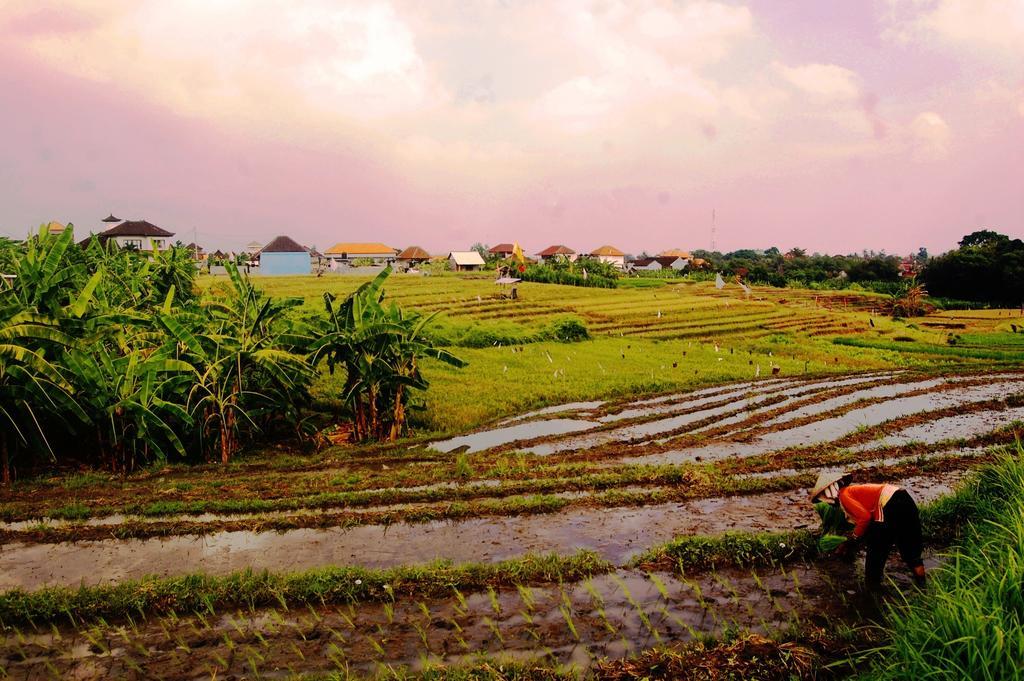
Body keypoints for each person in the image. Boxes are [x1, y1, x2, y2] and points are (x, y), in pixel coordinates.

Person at [810, 471, 926, 589]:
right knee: (910, 549)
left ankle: (872, 590)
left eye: (823, 499)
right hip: (904, 498)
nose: (827, 504)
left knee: (876, 549)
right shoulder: (853, 491)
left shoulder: (844, 495)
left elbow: (865, 518)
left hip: (888, 503)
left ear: (828, 493)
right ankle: (923, 588)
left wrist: (853, 538)